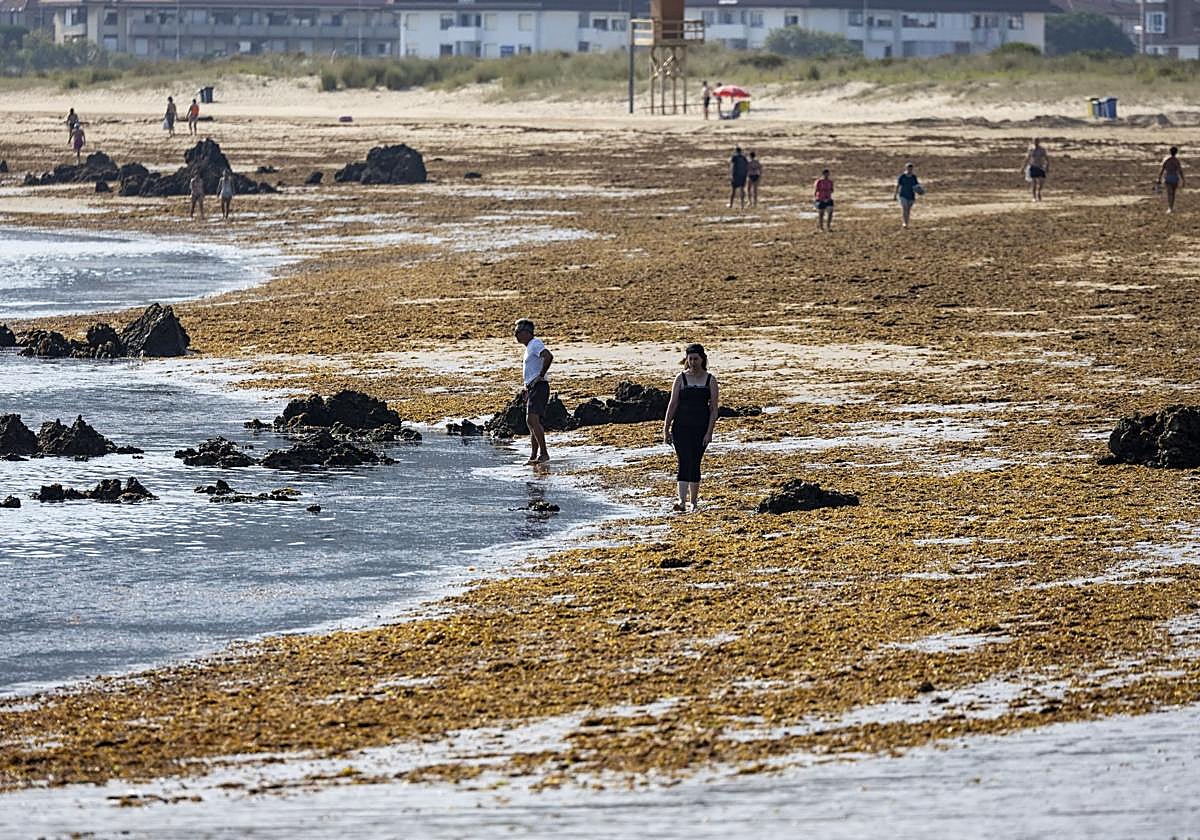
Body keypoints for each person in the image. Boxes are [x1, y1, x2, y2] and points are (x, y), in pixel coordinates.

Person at [663, 343, 719, 513]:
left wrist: (709, 432)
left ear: (703, 359)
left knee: (695, 463)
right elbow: (672, 405)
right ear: (686, 360)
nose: (693, 362)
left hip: (701, 428)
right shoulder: (680, 378)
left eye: (696, 359)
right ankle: (681, 501)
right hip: (680, 428)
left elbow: (714, 409)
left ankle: (693, 502)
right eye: (690, 359)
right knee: (683, 461)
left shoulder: (710, 380)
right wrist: (666, 428)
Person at [514, 318, 553, 465]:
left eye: (518, 331)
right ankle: (534, 455)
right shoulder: (529, 347)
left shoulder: (535, 344)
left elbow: (548, 356)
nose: (515, 335)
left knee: (532, 420)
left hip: (540, 386)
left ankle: (544, 454)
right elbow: (531, 370)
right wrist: (526, 388)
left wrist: (541, 376)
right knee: (531, 422)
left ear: (527, 332)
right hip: (532, 388)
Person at [893, 162, 921, 228]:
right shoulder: (902, 176)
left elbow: (916, 185)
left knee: (908, 209)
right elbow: (898, 185)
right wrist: (895, 195)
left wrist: (919, 191)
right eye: (908, 168)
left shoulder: (914, 177)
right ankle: (904, 223)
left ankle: (907, 222)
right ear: (906, 168)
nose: (910, 170)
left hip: (911, 195)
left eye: (911, 168)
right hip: (903, 195)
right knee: (904, 208)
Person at [1157, 146, 1184, 214]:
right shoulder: (1176, 161)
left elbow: (1162, 169)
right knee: (1173, 194)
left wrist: (1159, 178)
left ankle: (1170, 208)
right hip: (1175, 178)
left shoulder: (1166, 159)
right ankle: (1171, 207)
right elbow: (1180, 171)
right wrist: (1183, 180)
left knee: (1169, 193)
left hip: (1168, 178)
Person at [1024, 138, 1049, 202]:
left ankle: (1039, 192)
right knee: (1034, 183)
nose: (1036, 143)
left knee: (1041, 182)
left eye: (1037, 141)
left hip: (1040, 167)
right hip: (1033, 167)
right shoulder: (1031, 150)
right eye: (1034, 141)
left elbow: (1046, 158)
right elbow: (1027, 158)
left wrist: (1047, 166)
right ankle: (1034, 197)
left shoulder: (1042, 150)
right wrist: (1023, 167)